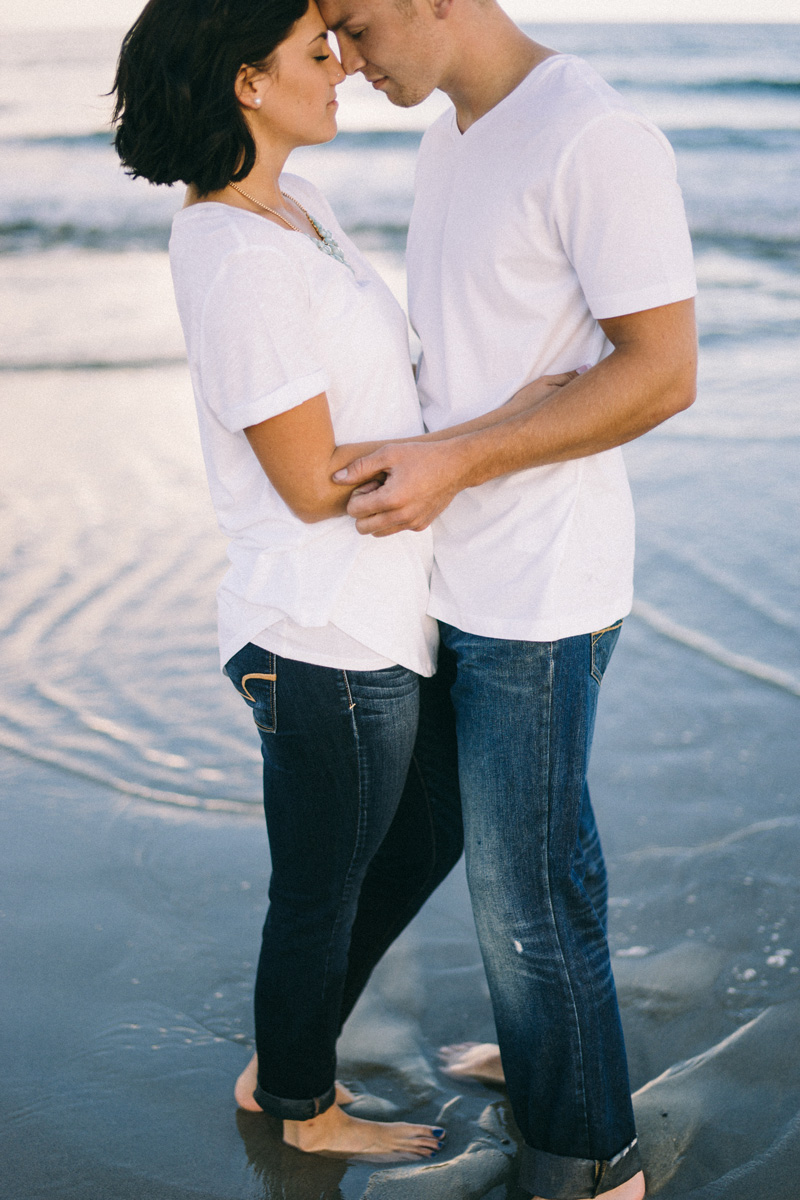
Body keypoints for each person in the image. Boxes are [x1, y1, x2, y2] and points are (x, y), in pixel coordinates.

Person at [110, 0, 577, 1163]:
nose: (344, 67)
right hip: (314, 630)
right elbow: (312, 483)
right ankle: (299, 1108)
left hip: (375, 620)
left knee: (419, 837)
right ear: (243, 84)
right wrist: (489, 441)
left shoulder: (297, 210)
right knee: (317, 887)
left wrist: (494, 424)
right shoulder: (226, 247)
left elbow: (379, 407)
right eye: (316, 52)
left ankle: (293, 1045)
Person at [319, 0, 698, 1196]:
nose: (343, 57)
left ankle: (593, 1159)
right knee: (434, 837)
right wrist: (443, 444)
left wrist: (458, 457)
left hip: (538, 587)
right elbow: (486, 367)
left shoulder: (593, 138)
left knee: (529, 892)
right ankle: (542, 1053)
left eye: (356, 25)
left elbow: (662, 372)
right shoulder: (452, 134)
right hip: (448, 569)